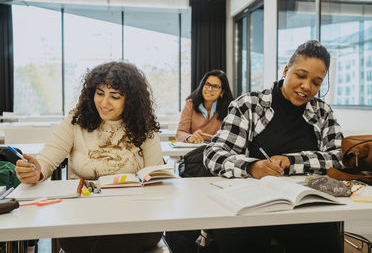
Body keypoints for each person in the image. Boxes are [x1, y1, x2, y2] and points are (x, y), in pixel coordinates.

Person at [204, 40, 344, 253]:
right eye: (301, 75)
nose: (307, 87)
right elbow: (213, 154)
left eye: (316, 82)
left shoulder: (322, 112)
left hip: (304, 206)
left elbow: (337, 157)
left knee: (324, 239)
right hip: (252, 206)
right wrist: (252, 167)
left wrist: (292, 162)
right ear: (286, 70)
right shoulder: (249, 105)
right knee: (241, 239)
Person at [14, 61, 163, 253]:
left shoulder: (144, 126)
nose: (104, 103)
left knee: (116, 238)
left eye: (114, 97)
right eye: (99, 93)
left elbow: (155, 177)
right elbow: (46, 161)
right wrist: (35, 171)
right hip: (81, 216)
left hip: (134, 216)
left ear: (131, 100)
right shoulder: (76, 121)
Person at [176, 69, 233, 143]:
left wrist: (204, 136)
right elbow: (180, 133)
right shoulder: (190, 104)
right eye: (207, 84)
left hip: (217, 151)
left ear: (222, 92)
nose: (209, 89)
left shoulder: (230, 109)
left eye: (215, 86)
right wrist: (189, 137)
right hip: (193, 149)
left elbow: (230, 138)